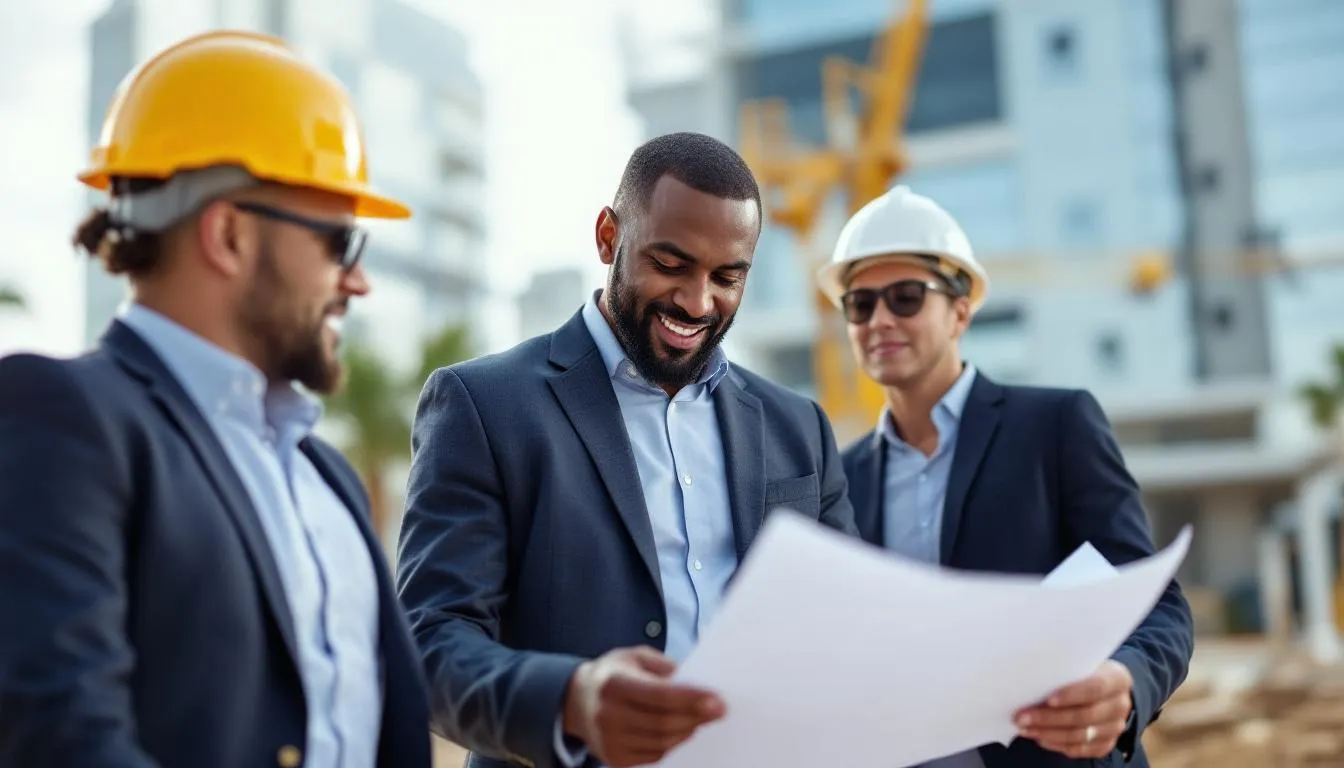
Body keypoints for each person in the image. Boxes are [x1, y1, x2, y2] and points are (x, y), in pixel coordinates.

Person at [0, 31, 431, 768]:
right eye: (339, 246)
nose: (358, 283)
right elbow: (62, 739)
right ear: (228, 234)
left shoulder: (328, 480)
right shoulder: (65, 417)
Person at [396, 131, 858, 768]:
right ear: (609, 237)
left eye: (728, 277)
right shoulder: (483, 407)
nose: (697, 302)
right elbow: (430, 643)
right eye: (671, 265)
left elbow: (853, 629)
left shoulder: (797, 426)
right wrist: (571, 702)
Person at [819, 186, 1194, 768]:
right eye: (860, 304)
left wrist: (1126, 683)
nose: (880, 320)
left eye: (907, 297)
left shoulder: (1056, 425)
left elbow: (1152, 601)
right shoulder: (842, 477)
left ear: (962, 310)